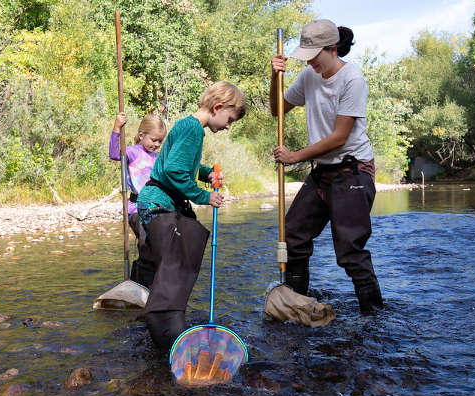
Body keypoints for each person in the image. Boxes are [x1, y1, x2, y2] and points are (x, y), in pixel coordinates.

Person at [269, 19, 384, 314]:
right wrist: (275, 77)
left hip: (352, 170)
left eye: (314, 55)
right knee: (293, 235)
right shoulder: (309, 75)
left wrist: (294, 156)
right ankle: (296, 305)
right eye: (306, 55)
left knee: (349, 250)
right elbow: (277, 110)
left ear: (332, 49)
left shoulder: (353, 80)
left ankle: (374, 318)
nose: (309, 62)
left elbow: (339, 137)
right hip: (323, 172)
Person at [137, 81, 246, 350]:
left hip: (153, 203)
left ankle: (155, 325)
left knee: (163, 267)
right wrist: (203, 196)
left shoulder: (188, 126)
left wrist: (206, 172)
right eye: (230, 119)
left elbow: (180, 164)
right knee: (175, 265)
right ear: (218, 107)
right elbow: (174, 172)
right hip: (158, 204)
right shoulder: (193, 130)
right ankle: (168, 332)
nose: (228, 126)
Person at [109, 113, 167, 288]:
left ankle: (142, 282)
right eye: (154, 140)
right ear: (142, 136)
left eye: (159, 142)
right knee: (145, 242)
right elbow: (114, 154)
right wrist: (117, 128)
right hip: (135, 208)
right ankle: (142, 285)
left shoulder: (157, 158)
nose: (156, 145)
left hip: (152, 208)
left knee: (153, 245)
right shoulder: (133, 152)